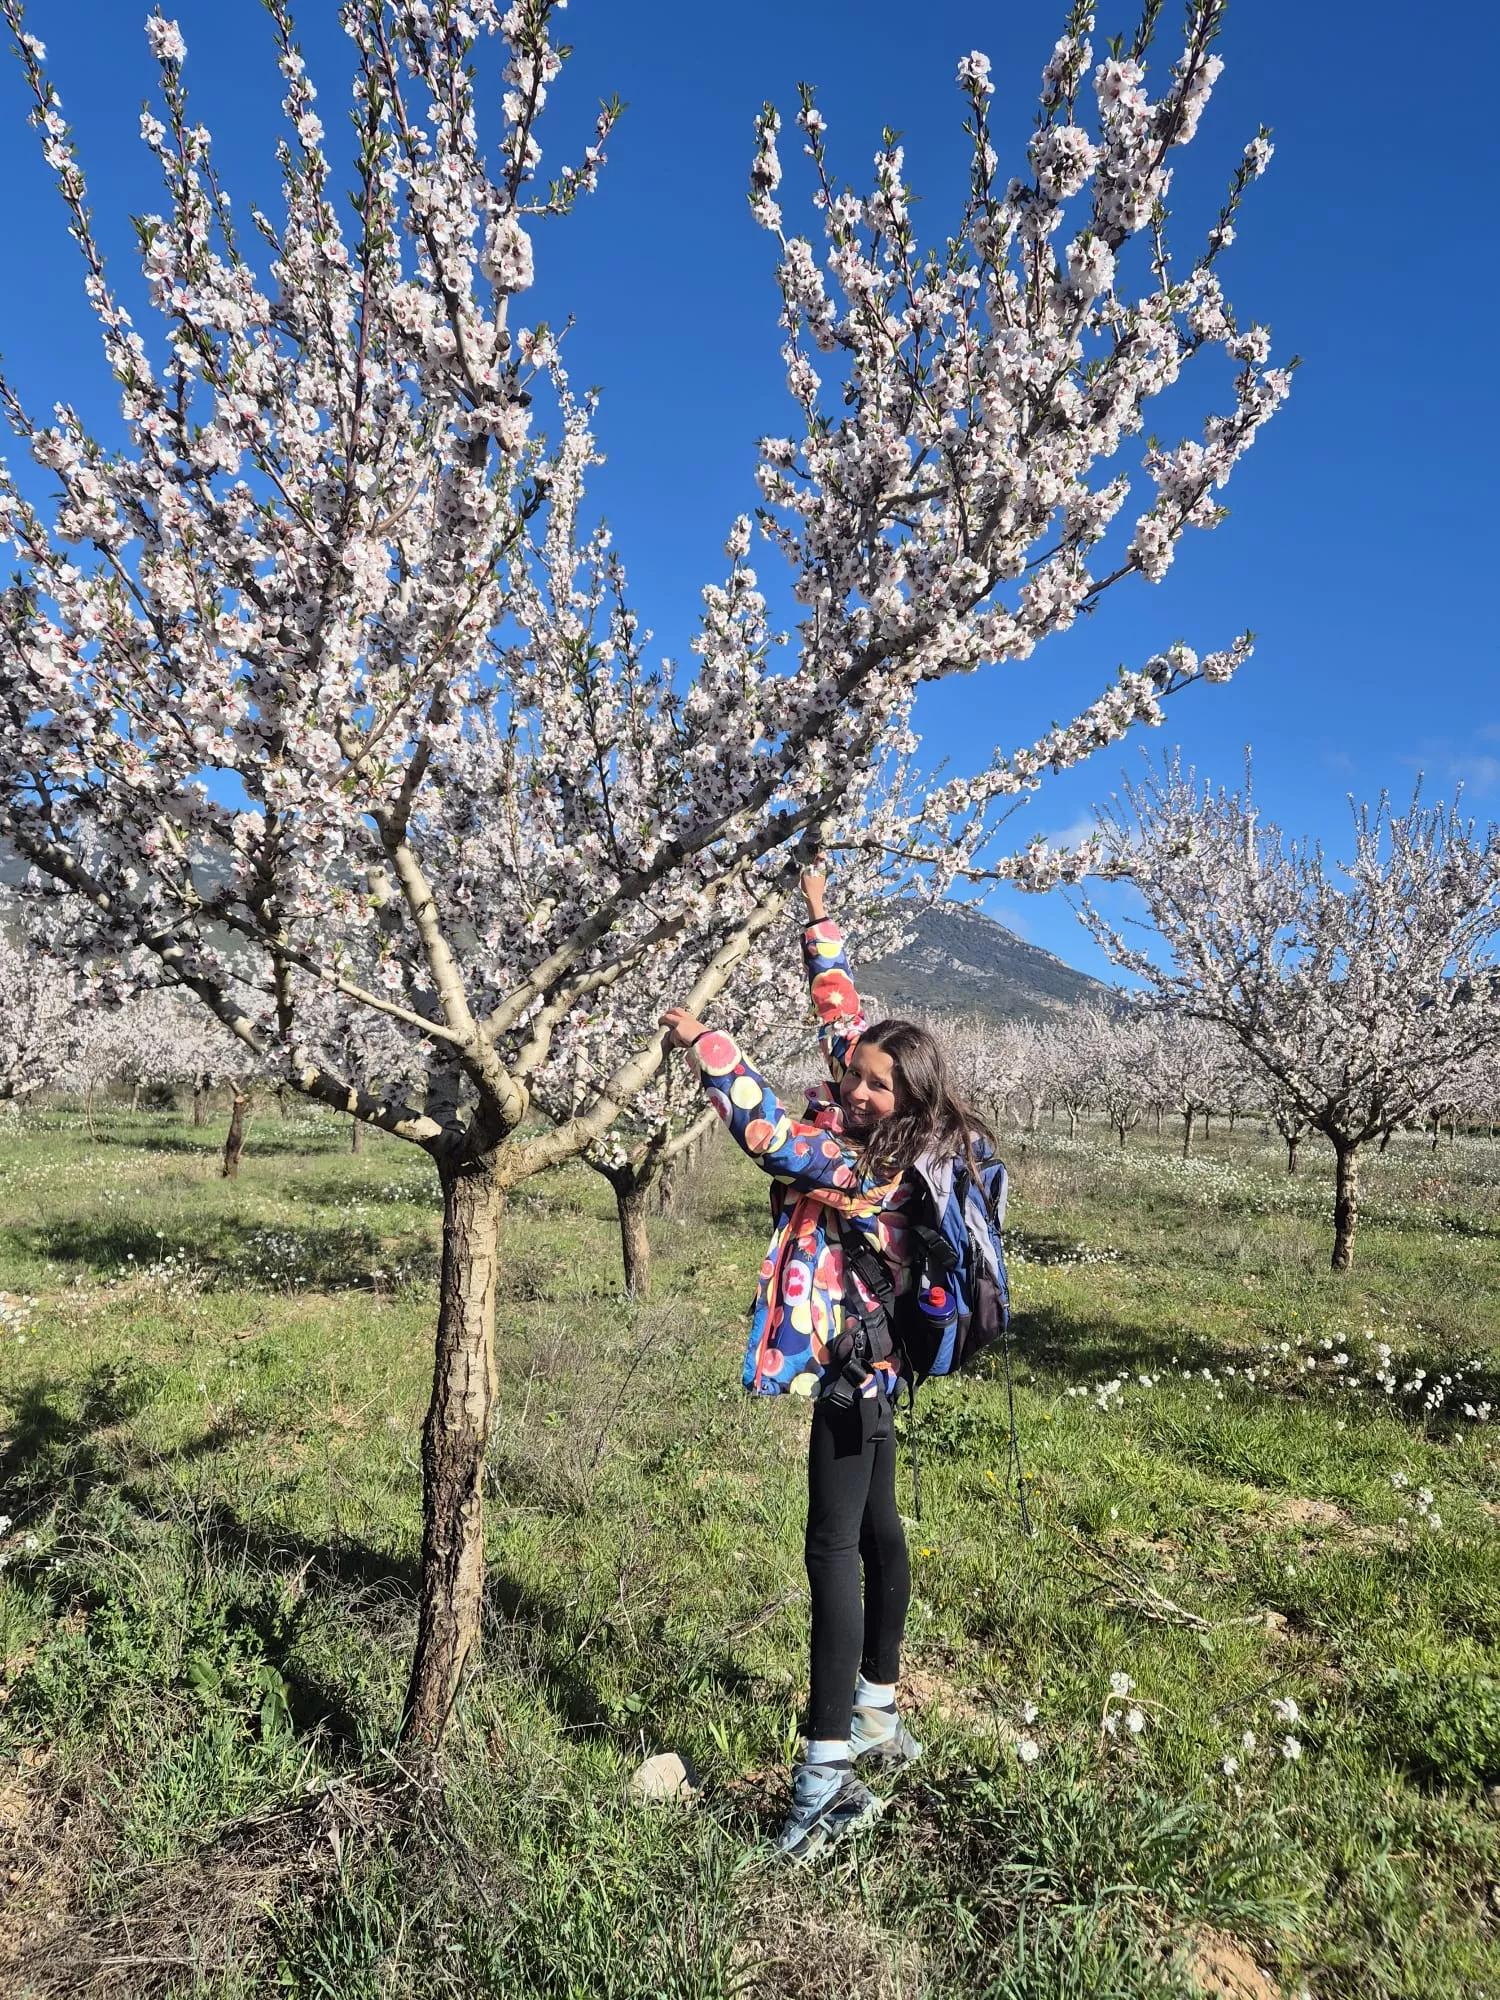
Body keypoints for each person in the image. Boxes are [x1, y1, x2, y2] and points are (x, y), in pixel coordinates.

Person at [661, 865, 1002, 1861]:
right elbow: (840, 1017)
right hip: (881, 1369)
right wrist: (821, 926)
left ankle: (826, 1778)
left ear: (905, 1097)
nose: (852, 1084)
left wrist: (705, 1044)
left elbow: (769, 1134)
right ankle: (884, 1712)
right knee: (882, 1529)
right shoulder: (894, 1130)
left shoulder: (865, 1162)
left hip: (855, 1373)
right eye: (850, 1073)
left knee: (831, 1551)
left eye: (870, 1080)